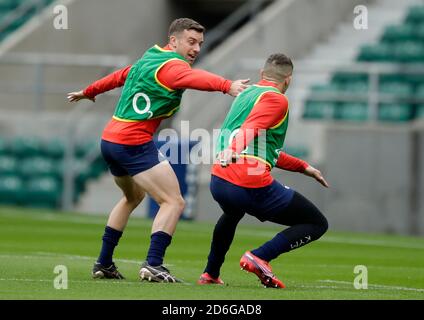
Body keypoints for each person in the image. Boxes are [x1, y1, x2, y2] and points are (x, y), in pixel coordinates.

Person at [67, 18, 249, 283]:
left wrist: (88, 91)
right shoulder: (174, 68)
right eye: (191, 41)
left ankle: (104, 262)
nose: (197, 48)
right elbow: (193, 78)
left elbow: (120, 75)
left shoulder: (150, 58)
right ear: (173, 41)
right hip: (132, 142)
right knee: (174, 201)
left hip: (110, 139)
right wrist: (227, 85)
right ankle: (153, 264)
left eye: (200, 43)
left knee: (132, 198)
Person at [197, 53, 329, 288]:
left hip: (219, 178)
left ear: (261, 74)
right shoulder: (277, 99)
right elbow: (252, 128)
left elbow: (260, 146)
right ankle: (260, 256)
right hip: (246, 179)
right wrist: (234, 149)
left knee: (232, 213)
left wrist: (303, 167)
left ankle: (210, 273)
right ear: (288, 80)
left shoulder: (245, 94)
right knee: (317, 223)